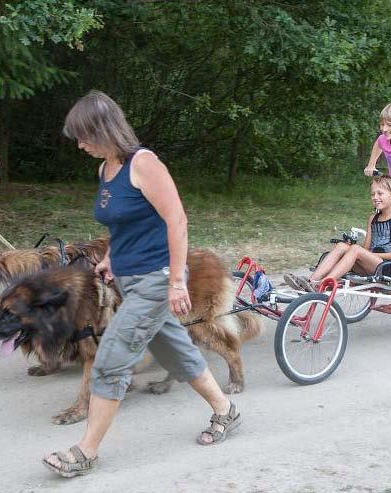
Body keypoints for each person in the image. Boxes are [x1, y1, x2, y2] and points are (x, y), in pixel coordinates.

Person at [41, 90, 241, 478]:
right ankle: (225, 410)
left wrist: (178, 281)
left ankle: (85, 451)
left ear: (104, 129)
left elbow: (177, 221)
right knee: (177, 353)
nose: (80, 145)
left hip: (157, 279)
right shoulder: (106, 170)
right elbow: (122, 223)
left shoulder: (143, 164)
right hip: (130, 282)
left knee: (110, 359)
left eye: (84, 136)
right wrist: (111, 259)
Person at [285, 175, 391, 297]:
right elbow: (366, 249)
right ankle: (311, 282)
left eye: (380, 193)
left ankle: (322, 284)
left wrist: (367, 254)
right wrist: (352, 250)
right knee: (342, 246)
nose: (375, 197)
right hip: (370, 264)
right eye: (372, 194)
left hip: (388, 267)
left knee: (355, 249)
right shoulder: (372, 218)